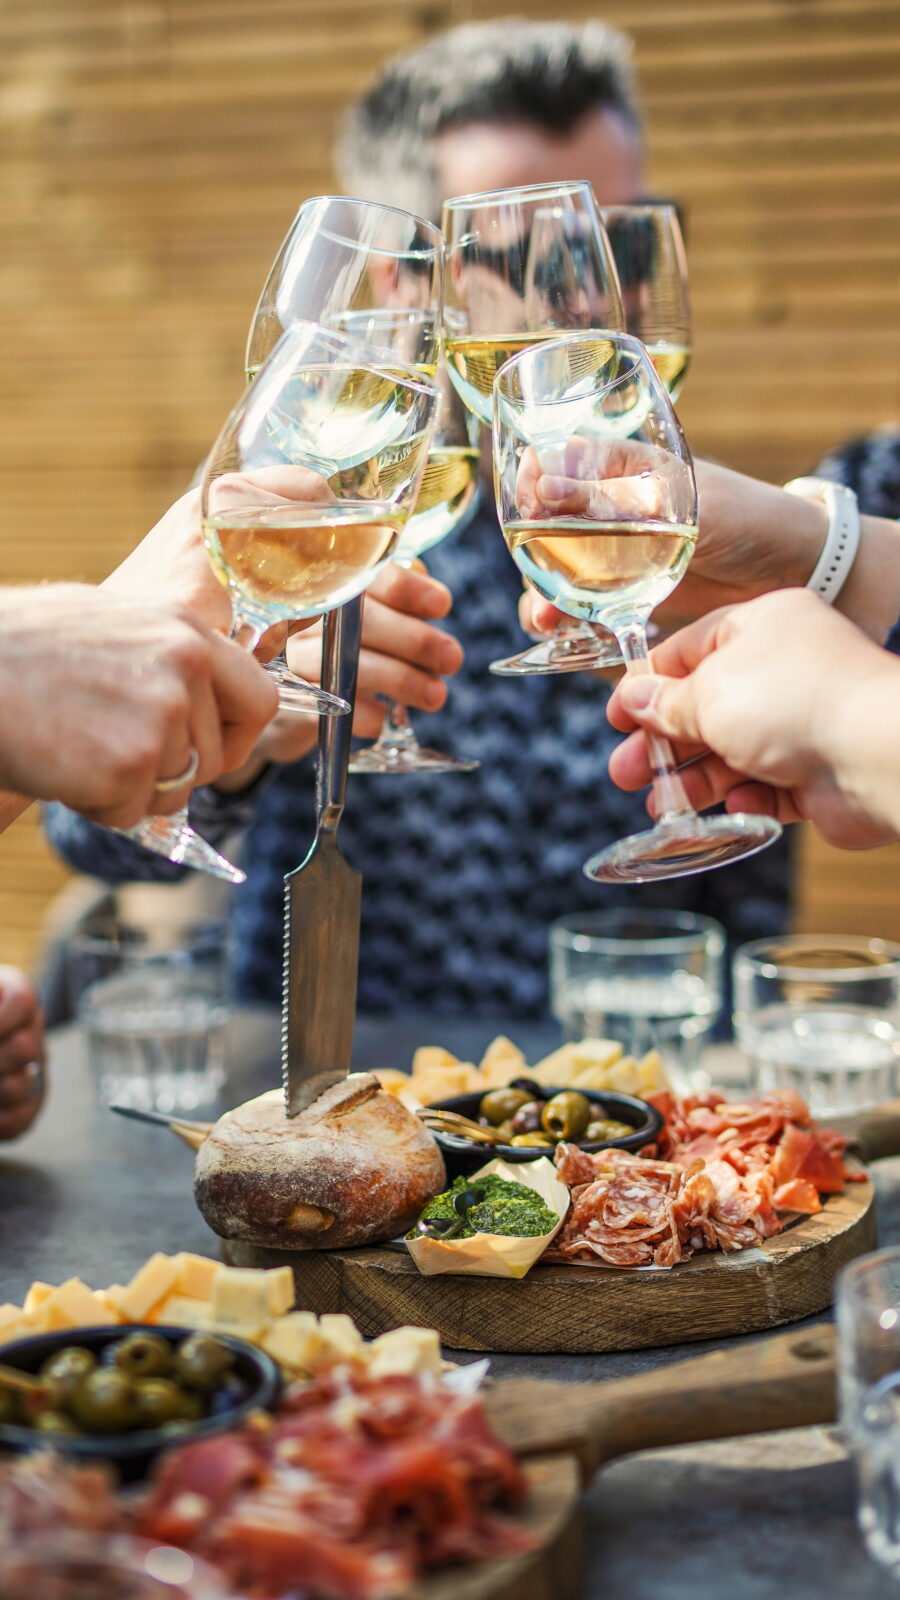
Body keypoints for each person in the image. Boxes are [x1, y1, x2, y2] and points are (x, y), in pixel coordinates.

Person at [45, 20, 795, 1021]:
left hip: (615, 1110)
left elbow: (747, 890)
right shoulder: (303, 514)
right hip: (335, 1100)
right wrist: (239, 727)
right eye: (531, 261)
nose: (594, 303)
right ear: (406, 286)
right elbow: (84, 836)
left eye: (617, 248)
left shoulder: (676, 536)